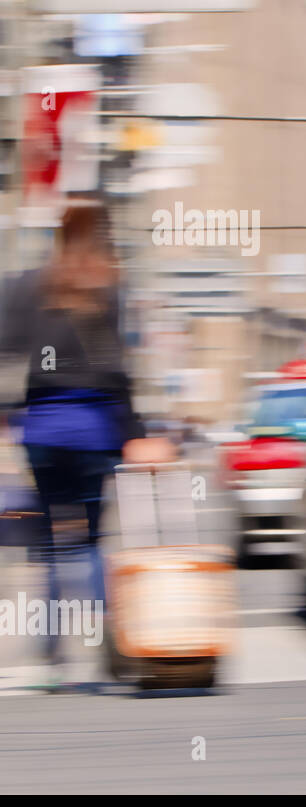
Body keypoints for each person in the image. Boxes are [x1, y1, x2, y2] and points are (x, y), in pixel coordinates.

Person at [0, 200, 174, 682]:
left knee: (54, 544)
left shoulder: (23, 286)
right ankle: (106, 642)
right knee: (94, 540)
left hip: (42, 431)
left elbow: (6, 357)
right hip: (97, 429)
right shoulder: (108, 288)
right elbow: (118, 371)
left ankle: (53, 657)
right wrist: (137, 434)